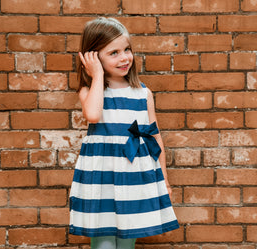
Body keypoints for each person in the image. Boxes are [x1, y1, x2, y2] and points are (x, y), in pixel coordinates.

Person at [69, 17, 179, 249]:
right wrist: (97, 75)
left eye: (126, 49)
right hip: (102, 178)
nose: (124, 57)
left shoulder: (142, 93)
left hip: (133, 177)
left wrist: (165, 181)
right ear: (93, 57)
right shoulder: (89, 90)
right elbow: (93, 115)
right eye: (113, 53)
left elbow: (154, 137)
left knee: (126, 244)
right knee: (103, 243)